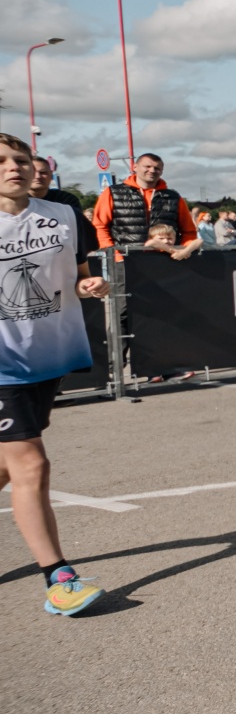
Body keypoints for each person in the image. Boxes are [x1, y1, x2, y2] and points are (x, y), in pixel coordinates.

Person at [0, 134, 113, 616]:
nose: (13, 167)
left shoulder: (63, 215)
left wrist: (91, 285)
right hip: (2, 363)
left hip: (47, 356)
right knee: (31, 465)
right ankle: (58, 579)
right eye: (1, 161)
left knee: (8, 464)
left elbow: (79, 276)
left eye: (20, 159)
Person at [90, 152, 197, 250]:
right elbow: (99, 226)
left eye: (157, 168)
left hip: (166, 259)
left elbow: (189, 232)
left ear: (161, 171)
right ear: (135, 167)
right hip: (125, 257)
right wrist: (112, 253)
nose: (152, 170)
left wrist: (182, 252)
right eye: (147, 166)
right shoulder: (113, 193)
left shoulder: (173, 197)